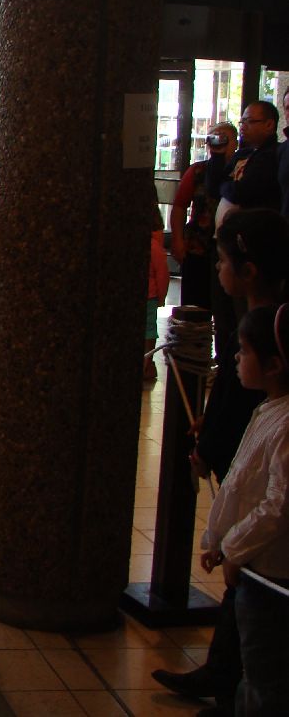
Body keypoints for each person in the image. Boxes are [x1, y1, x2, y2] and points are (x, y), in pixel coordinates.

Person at [154, 209, 289, 709]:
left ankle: (229, 683)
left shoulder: (270, 331)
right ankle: (223, 674)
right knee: (243, 600)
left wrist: (211, 447)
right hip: (244, 487)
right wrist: (207, 429)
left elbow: (245, 411)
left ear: (248, 270)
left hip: (258, 515)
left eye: (223, 259)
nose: (216, 267)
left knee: (255, 612)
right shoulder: (256, 323)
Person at [199, 304, 289, 716]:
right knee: (254, 666)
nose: (236, 357)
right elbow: (243, 485)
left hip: (268, 573)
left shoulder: (285, 424)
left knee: (264, 673)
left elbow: (277, 506)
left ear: (274, 365)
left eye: (245, 351)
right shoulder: (270, 409)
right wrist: (220, 541)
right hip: (254, 565)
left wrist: (234, 547)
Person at [172, 124, 237, 310]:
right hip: (197, 244)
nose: (219, 142)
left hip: (229, 247)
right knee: (194, 304)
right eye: (214, 138)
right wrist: (177, 239)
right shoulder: (197, 171)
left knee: (225, 306)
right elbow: (179, 206)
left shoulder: (240, 170)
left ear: (235, 143)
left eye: (224, 138)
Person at [215, 101, 280, 229]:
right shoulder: (242, 154)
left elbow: (241, 192)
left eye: (249, 121)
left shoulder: (274, 154)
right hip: (226, 233)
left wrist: (223, 184)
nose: (242, 127)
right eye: (242, 122)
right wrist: (217, 156)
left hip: (256, 231)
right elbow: (213, 186)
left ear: (269, 124)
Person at [143, 206, 169, 381]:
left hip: (146, 297)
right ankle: (147, 363)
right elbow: (162, 275)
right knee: (150, 331)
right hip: (150, 297)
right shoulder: (155, 248)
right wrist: (161, 297)